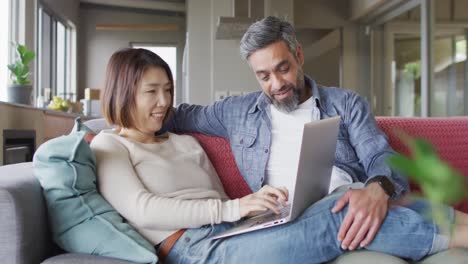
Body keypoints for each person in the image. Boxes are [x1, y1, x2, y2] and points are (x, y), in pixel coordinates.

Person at [91, 47, 468, 264]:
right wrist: (235, 207)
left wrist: (257, 211)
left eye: (168, 90)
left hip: (234, 230)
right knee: (334, 223)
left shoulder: (179, 137)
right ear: (122, 93)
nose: (164, 102)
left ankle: (456, 225)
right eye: (151, 92)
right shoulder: (110, 145)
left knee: (341, 201)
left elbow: (185, 119)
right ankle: (457, 235)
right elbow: (143, 209)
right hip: (195, 249)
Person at [165, 16, 407, 251]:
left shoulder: (346, 104)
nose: (277, 84)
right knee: (350, 212)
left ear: (298, 55)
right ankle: (436, 233)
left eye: (283, 69)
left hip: (345, 201)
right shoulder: (236, 113)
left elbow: (379, 155)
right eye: (264, 76)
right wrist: (129, 118)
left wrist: (378, 187)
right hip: (286, 221)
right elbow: (179, 116)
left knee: (344, 203)